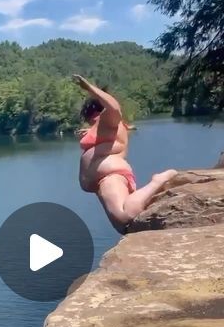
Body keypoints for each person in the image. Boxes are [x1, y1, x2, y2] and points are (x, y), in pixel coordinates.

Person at [73, 75, 177, 232]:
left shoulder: (107, 118)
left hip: (111, 177)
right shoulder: (102, 125)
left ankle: (158, 180)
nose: (89, 122)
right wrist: (90, 132)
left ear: (95, 112)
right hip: (103, 181)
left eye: (89, 119)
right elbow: (110, 136)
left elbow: (114, 108)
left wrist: (89, 88)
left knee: (126, 216)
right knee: (124, 228)